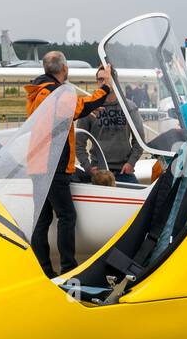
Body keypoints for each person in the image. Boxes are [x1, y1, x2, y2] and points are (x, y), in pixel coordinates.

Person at [25, 52, 113, 276]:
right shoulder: (59, 92)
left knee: (42, 218)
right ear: (64, 68)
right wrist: (105, 88)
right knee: (67, 216)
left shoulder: (39, 91)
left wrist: (82, 110)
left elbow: (61, 115)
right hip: (53, 165)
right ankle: (68, 268)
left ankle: (42, 269)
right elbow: (79, 108)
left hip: (37, 164)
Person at [77, 66, 139, 183]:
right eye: (100, 79)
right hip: (100, 171)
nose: (104, 82)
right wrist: (88, 168)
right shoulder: (89, 108)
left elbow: (139, 141)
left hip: (124, 171)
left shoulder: (129, 107)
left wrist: (131, 163)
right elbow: (79, 144)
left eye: (107, 78)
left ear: (114, 81)